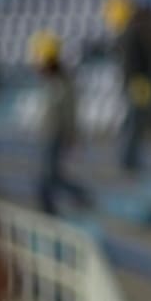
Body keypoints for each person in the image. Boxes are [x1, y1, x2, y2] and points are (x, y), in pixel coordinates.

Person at [102, 0, 151, 173]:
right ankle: (130, 161)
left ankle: (131, 161)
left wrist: (139, 82)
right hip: (141, 85)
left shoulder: (135, 32)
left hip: (140, 85)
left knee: (137, 124)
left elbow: (135, 62)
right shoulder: (140, 31)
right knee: (136, 124)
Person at [27, 30, 91, 215]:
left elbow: (69, 113)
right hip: (48, 134)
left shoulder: (62, 82)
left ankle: (54, 208)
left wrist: (72, 136)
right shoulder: (50, 80)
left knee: (47, 177)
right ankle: (74, 198)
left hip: (56, 135)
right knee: (51, 176)